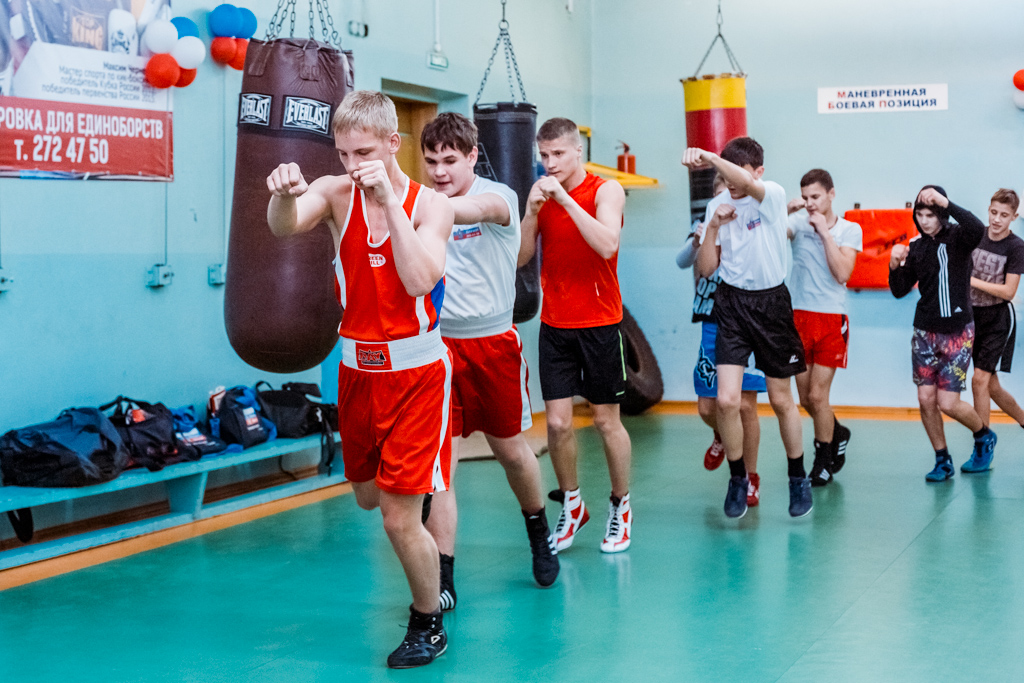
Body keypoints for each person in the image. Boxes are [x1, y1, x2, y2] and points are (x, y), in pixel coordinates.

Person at [266, 90, 454, 669]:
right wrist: (279, 194)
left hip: (418, 373)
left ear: (393, 145)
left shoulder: (431, 205)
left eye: (364, 152)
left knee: (398, 517)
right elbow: (283, 227)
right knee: (373, 501)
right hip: (356, 373)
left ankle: (428, 621)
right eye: (344, 153)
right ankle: (419, 508)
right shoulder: (335, 192)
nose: (352, 164)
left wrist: (388, 204)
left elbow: (421, 279)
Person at [418, 113, 559, 609]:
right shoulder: (423, 200)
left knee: (511, 450)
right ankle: (443, 576)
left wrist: (419, 204)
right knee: (443, 468)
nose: (439, 171)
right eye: (431, 161)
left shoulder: (499, 196)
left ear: (473, 156)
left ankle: (538, 529)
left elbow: (470, 209)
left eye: (449, 161)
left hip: (493, 344)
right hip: (438, 347)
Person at [682, 137, 812, 519]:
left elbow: (745, 183)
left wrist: (707, 157)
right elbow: (706, 268)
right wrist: (714, 228)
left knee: (781, 399)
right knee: (726, 400)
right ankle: (738, 477)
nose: (732, 185)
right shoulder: (717, 205)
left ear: (758, 172)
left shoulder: (770, 193)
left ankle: (797, 477)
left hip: (771, 304)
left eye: (739, 175)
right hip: (732, 304)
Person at [520, 117, 632, 553]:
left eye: (558, 155)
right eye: (543, 156)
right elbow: (523, 258)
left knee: (606, 422)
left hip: (601, 324)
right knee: (559, 425)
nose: (550, 163)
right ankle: (572, 504)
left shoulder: (605, 190)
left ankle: (620, 507)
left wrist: (564, 200)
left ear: (577, 151)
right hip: (556, 326)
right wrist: (531, 213)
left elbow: (606, 243)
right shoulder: (541, 195)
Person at [889, 186, 997, 480]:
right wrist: (894, 264)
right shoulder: (917, 247)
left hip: (957, 332)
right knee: (925, 399)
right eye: (920, 215)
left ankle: (984, 434)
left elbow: (976, 226)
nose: (925, 221)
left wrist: (944, 202)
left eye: (931, 214)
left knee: (948, 403)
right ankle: (942, 459)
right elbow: (900, 290)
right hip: (924, 332)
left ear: (942, 215)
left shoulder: (959, 238)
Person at [676, 174, 765, 506]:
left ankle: (749, 476)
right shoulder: (706, 226)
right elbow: (683, 261)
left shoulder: (752, 228)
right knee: (706, 406)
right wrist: (700, 238)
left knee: (744, 405)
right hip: (712, 319)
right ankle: (720, 434)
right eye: (718, 197)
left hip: (747, 320)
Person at [785, 169, 861, 486]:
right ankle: (837, 431)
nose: (810, 203)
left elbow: (842, 273)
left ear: (831, 194)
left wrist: (824, 234)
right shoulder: (797, 223)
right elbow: (767, 237)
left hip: (831, 318)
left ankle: (824, 459)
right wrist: (782, 212)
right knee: (806, 400)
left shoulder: (849, 229)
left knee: (818, 396)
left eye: (815, 197)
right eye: (805, 198)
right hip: (798, 317)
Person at [969, 189, 1024, 440]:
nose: (997, 219)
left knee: (978, 381)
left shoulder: (1016, 247)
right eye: (993, 212)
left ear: (1014, 216)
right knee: (991, 386)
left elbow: (1009, 292)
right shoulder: (976, 234)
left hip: (997, 321)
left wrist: (971, 281)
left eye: (1004, 215)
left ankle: (983, 445)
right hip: (972, 319)